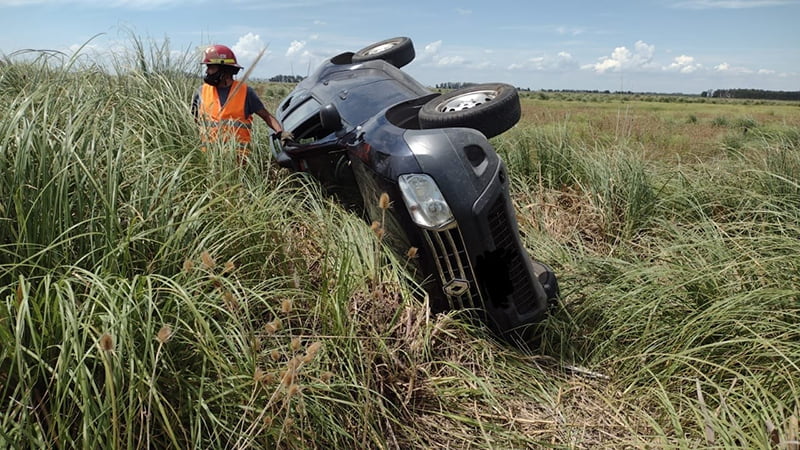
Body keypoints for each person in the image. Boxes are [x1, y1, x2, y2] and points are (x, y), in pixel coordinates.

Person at [192, 44, 292, 160]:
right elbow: (194, 121)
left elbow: (266, 116)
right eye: (207, 67)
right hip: (208, 160)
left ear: (225, 70)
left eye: (211, 67)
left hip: (238, 163)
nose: (207, 72)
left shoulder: (245, 92)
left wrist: (281, 133)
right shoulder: (201, 92)